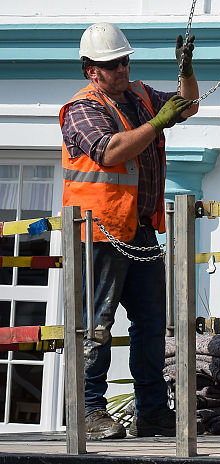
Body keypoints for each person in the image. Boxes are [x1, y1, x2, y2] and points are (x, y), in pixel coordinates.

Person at [60, 22, 198, 441]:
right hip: (98, 232)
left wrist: (186, 71)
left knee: (152, 324)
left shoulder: (139, 95)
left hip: (138, 230)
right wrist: (158, 123)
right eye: (111, 64)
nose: (121, 68)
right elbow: (109, 150)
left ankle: (152, 412)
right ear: (91, 70)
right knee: (95, 326)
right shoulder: (81, 108)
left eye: (124, 60)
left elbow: (187, 106)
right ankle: (88, 410)